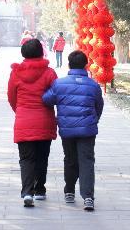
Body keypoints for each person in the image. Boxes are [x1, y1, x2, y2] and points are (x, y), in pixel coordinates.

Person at [42, 50, 104, 212]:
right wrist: (93, 120)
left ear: (69, 64)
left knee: (70, 159)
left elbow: (47, 99)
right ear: (86, 65)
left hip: (67, 129)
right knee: (87, 161)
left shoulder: (59, 84)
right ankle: (88, 197)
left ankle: (69, 191)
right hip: (88, 129)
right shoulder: (94, 85)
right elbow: (99, 106)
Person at [7, 39, 58, 208]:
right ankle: (40, 190)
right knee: (42, 157)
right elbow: (56, 95)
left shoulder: (16, 73)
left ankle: (27, 192)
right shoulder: (50, 73)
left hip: (23, 119)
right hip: (44, 120)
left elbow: (11, 97)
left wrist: (20, 111)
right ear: (41, 52)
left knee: (26, 159)